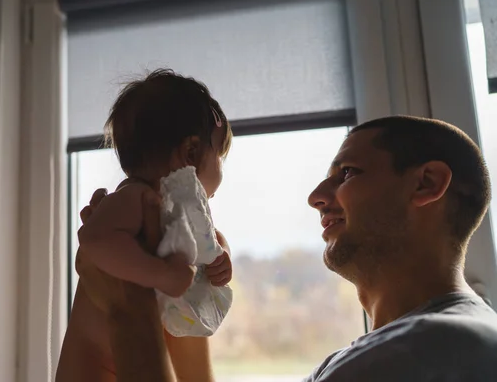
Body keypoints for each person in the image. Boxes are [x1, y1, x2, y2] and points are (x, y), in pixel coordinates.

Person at [78, 115, 497, 381]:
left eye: (347, 173)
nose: (316, 195)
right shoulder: (402, 348)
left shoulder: (433, 348)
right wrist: (178, 278)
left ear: (425, 184)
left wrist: (128, 304)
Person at [55, 69, 234, 382]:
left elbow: (207, 247)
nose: (221, 169)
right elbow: (94, 239)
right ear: (190, 153)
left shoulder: (178, 216)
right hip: (93, 368)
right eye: (220, 154)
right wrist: (162, 273)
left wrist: (221, 257)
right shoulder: (137, 196)